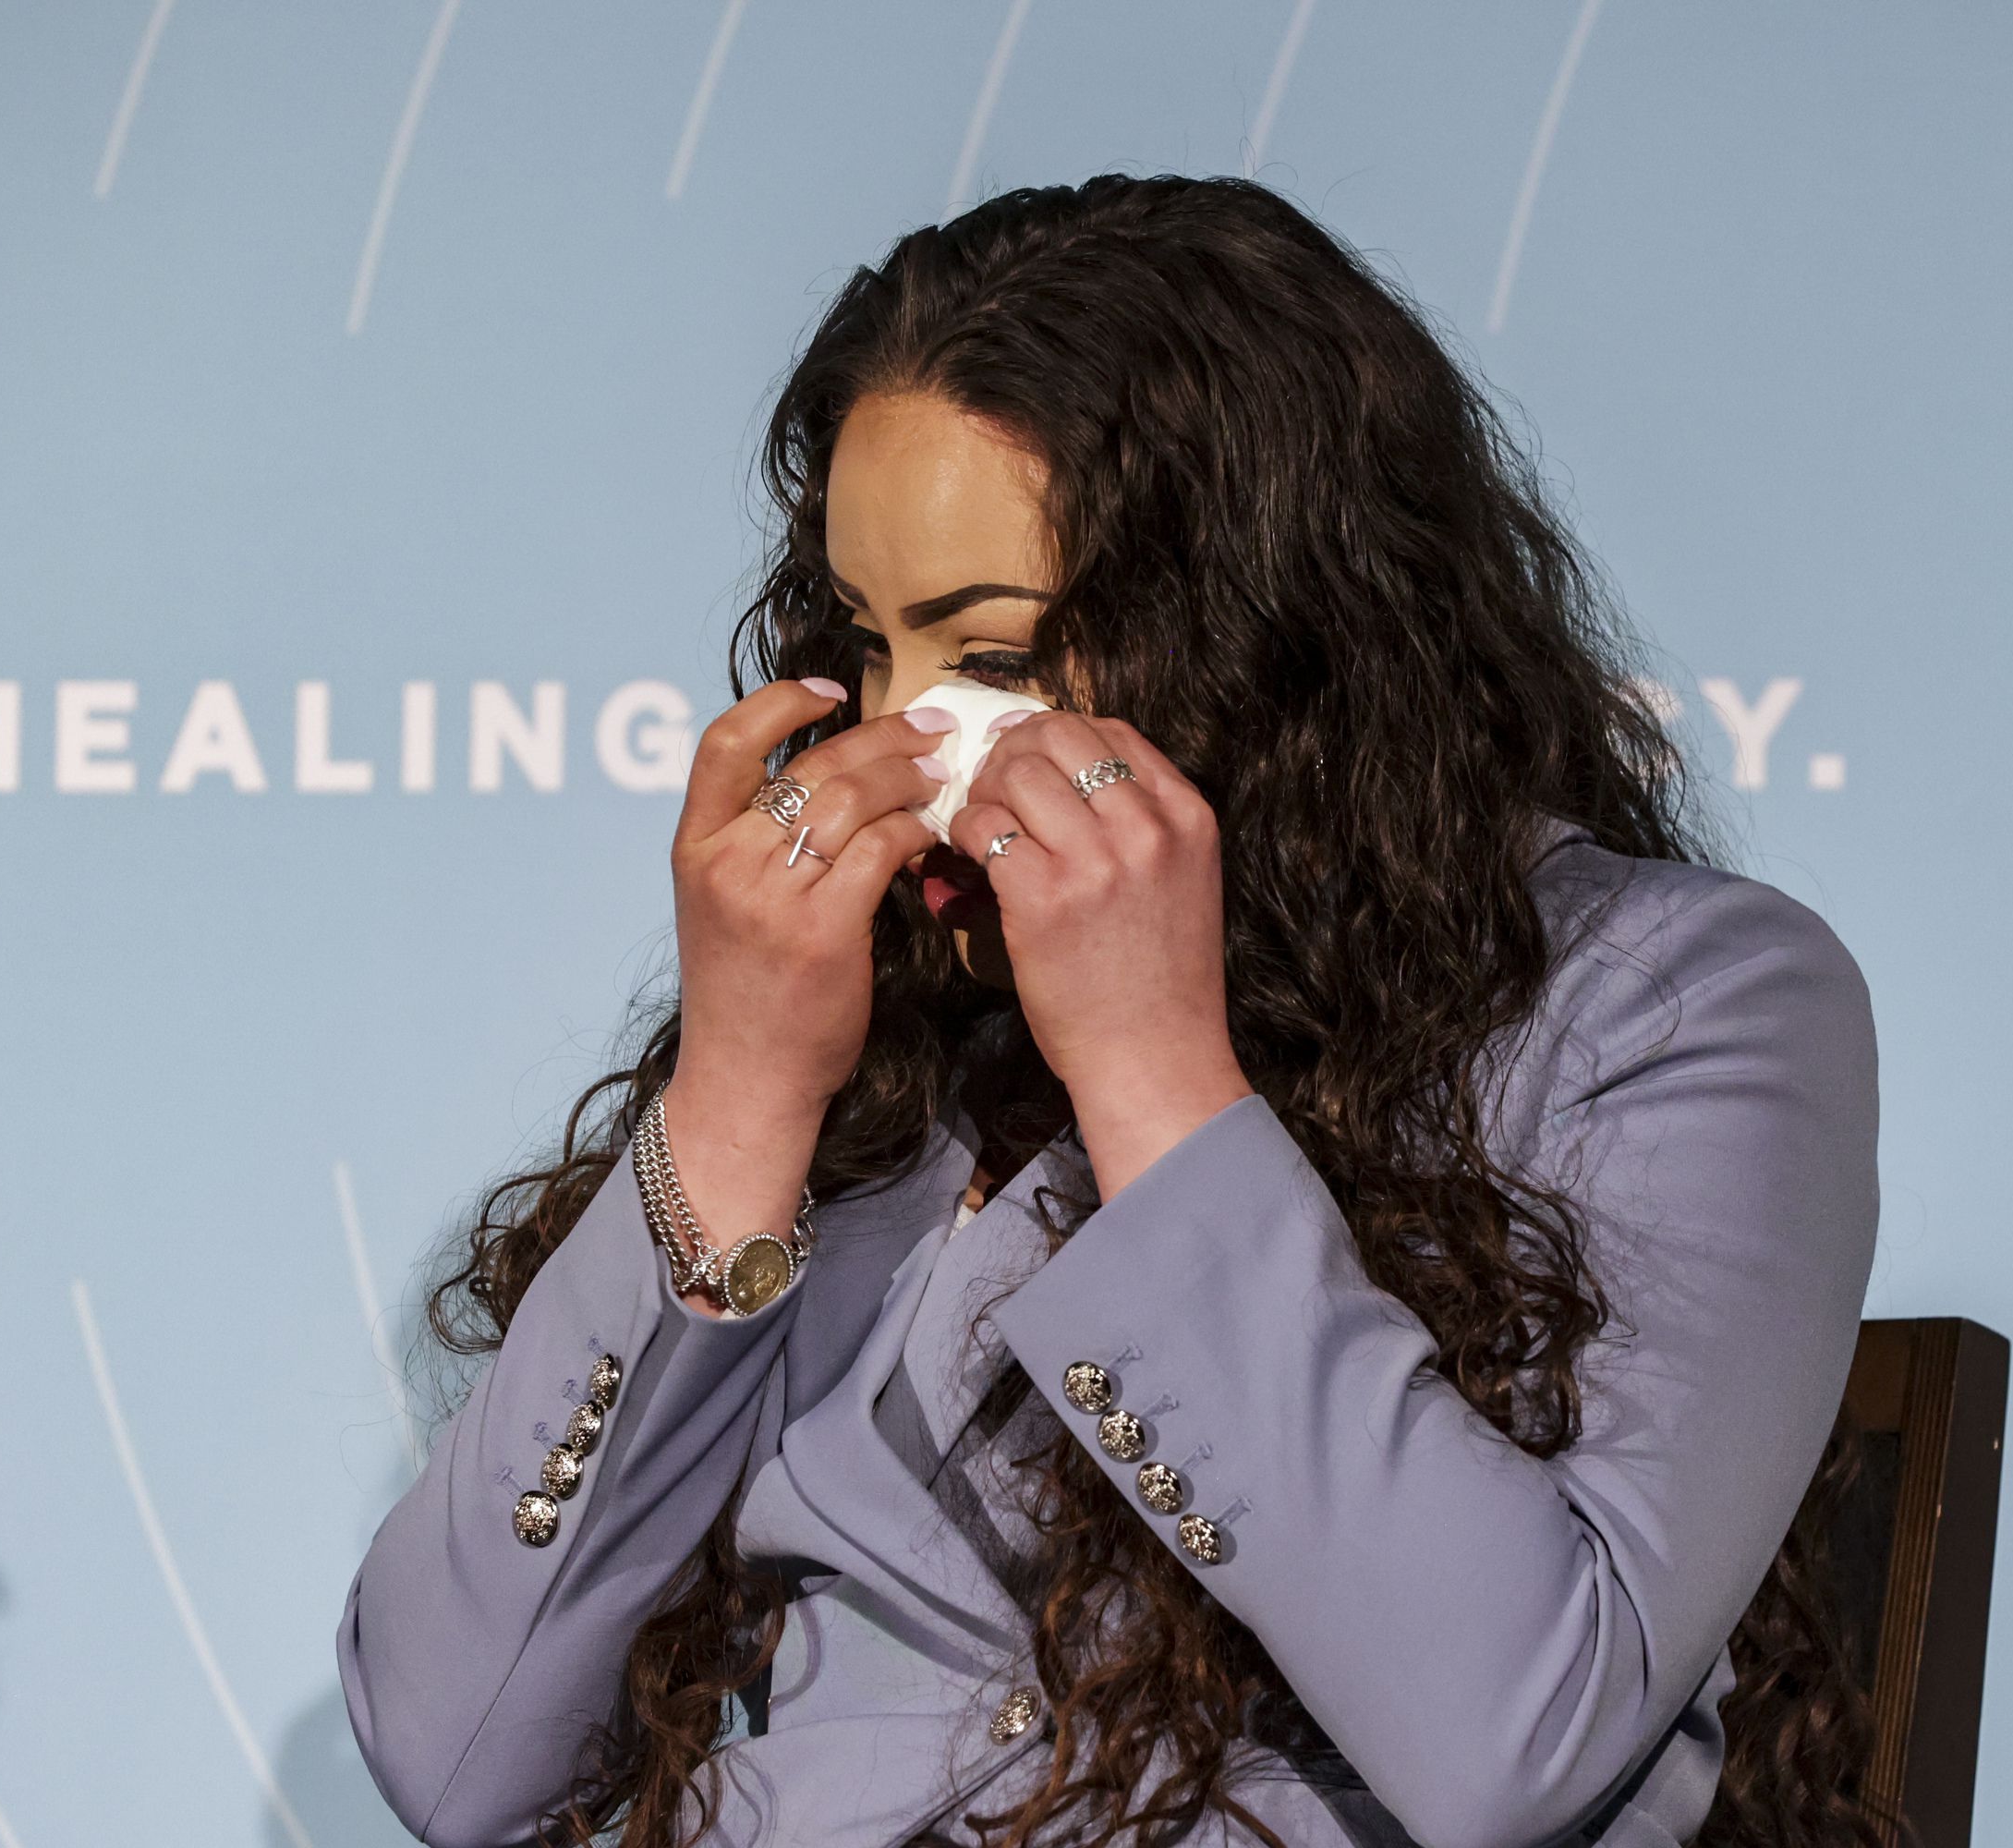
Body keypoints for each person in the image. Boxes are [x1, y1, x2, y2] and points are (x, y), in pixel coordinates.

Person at [338, 174, 1884, 1848]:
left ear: (1275, 636)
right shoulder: (897, 1053)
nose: (906, 747)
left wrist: (1153, 1074)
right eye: (867, 648)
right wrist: (739, 1098)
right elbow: (456, 1756)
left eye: (992, 661)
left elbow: (1515, 1741)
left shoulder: (1674, 1005)